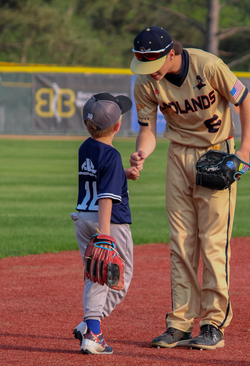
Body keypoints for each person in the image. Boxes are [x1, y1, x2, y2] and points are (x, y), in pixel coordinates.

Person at [129, 26, 250, 350]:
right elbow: (148, 131)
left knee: (212, 240)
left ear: (171, 53)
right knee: (181, 241)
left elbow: (245, 100)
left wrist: (244, 151)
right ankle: (180, 323)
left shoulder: (207, 65)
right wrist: (142, 152)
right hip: (178, 156)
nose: (148, 72)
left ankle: (213, 323)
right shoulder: (146, 82)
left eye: (152, 63)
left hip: (216, 153)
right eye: (142, 64)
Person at [70, 92, 139, 355]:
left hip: (83, 219)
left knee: (95, 276)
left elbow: (99, 177)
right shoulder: (111, 155)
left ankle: (90, 323)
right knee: (117, 279)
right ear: (118, 126)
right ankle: (93, 332)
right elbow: (106, 197)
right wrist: (106, 236)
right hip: (108, 223)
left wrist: (123, 174)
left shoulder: (85, 146)